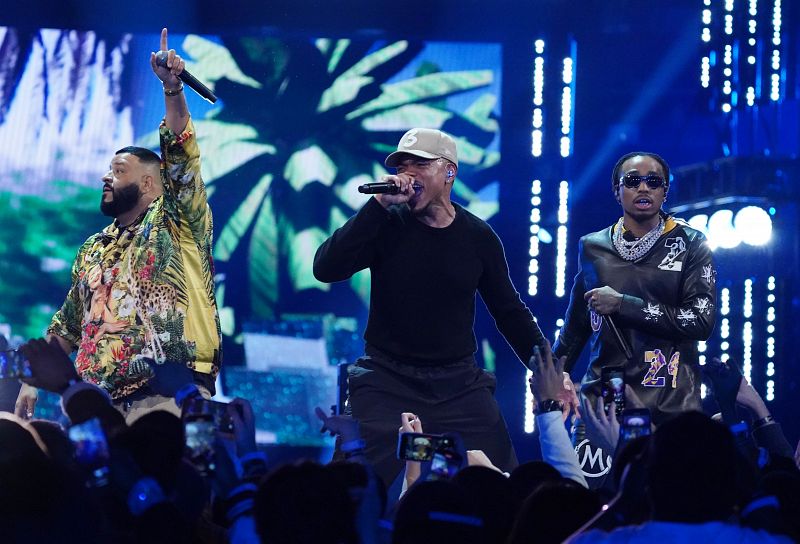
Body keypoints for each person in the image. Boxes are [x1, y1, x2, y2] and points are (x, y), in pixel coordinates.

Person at [313, 128, 546, 488]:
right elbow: (325, 268)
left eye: (419, 164)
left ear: (449, 172)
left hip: (459, 385)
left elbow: (509, 311)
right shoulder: (386, 223)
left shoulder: (478, 237)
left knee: (501, 483)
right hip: (387, 381)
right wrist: (376, 207)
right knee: (351, 485)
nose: (407, 174)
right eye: (402, 165)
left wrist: (550, 369)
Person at [15, 29, 221, 423]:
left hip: (164, 399)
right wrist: (31, 380)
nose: (106, 177)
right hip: (99, 407)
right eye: (107, 170)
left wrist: (173, 89)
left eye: (118, 170)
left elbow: (180, 155)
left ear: (148, 183)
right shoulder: (93, 249)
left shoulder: (179, 222)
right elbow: (67, 324)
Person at [554, 152, 716, 476]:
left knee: (668, 506)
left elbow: (700, 322)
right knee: (590, 505)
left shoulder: (692, 243)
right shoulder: (592, 247)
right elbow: (575, 328)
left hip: (671, 406)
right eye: (633, 181)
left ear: (665, 191)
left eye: (653, 182)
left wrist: (624, 305)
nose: (644, 188)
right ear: (617, 190)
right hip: (603, 404)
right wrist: (554, 377)